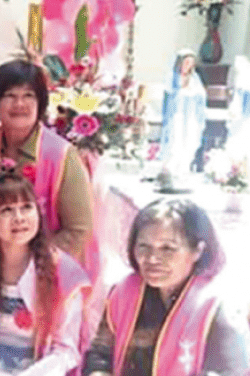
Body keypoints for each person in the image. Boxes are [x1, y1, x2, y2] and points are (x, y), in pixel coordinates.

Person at [83, 199, 250, 376]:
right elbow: (100, 352)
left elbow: (230, 371)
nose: (152, 259)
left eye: (168, 248)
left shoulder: (217, 305)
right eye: (143, 247)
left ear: (198, 251)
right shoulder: (124, 292)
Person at [0, 172, 91, 375]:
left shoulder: (64, 273)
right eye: (7, 210)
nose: (19, 218)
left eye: (27, 207)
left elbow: (66, 350)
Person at [0, 59, 93, 265]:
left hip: (45, 268)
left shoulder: (62, 155)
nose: (19, 104)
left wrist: (30, 264)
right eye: (10, 96)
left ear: (40, 103)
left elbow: (79, 229)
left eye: (28, 96)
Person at [158, 49, 206, 178]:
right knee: (175, 140)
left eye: (190, 63)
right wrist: (181, 92)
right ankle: (170, 171)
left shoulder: (195, 78)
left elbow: (201, 96)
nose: (188, 65)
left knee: (189, 141)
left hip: (190, 115)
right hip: (176, 114)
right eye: (186, 62)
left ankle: (184, 168)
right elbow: (169, 93)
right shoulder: (172, 77)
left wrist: (191, 93)